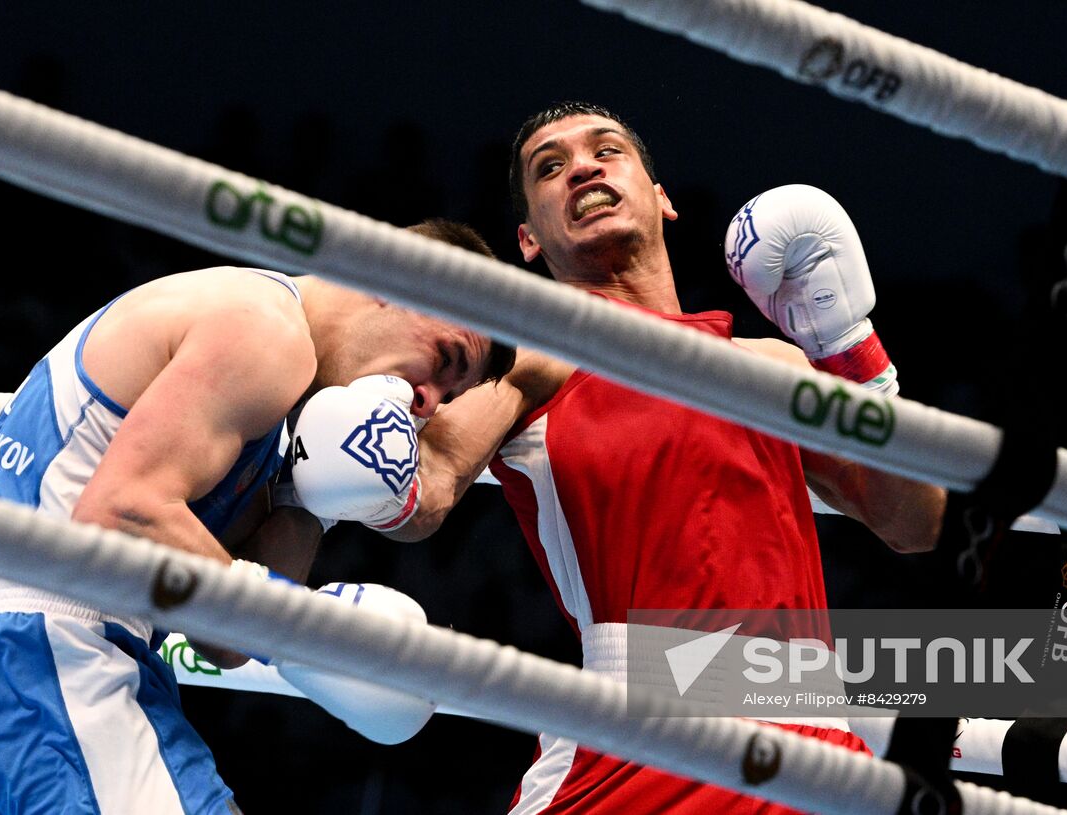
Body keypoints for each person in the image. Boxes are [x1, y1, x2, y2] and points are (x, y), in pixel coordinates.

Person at [332, 103, 941, 813]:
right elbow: (426, 491)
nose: (583, 167)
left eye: (607, 150)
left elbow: (914, 522)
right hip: (638, 744)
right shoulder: (536, 355)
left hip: (814, 740)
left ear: (662, 199)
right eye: (549, 168)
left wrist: (852, 349)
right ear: (529, 239)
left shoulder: (771, 364)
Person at [0, 219, 515, 815]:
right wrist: (306, 626)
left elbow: (222, 642)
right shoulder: (265, 331)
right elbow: (118, 516)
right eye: (444, 358)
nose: (427, 400)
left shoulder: (276, 412)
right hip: (57, 663)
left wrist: (310, 505)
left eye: (449, 395)